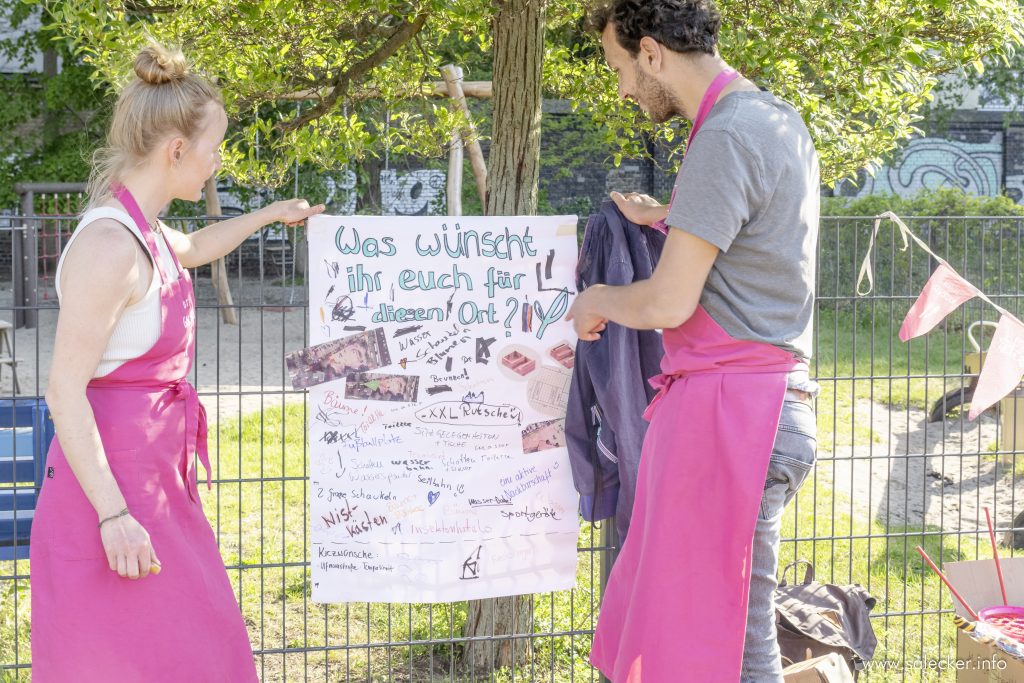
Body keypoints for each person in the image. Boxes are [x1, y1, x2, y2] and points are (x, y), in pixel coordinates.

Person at [31, 42, 323, 681]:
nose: (218, 161)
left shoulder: (148, 232)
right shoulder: (109, 246)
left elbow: (193, 247)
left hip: (154, 485)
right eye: (215, 145)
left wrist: (273, 214)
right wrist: (113, 516)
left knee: (201, 654)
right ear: (176, 151)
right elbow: (62, 389)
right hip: (109, 496)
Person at [568, 2, 820, 681]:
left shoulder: (725, 136)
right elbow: (753, 237)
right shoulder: (773, 118)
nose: (622, 89)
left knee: (733, 649)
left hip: (738, 417)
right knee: (729, 634)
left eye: (619, 68)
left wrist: (596, 300)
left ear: (652, 53)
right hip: (766, 407)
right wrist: (673, 216)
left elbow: (668, 300)